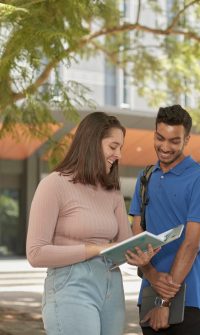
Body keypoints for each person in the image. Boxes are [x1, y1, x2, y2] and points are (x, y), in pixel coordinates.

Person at [26, 112, 157, 335]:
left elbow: (124, 244)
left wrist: (140, 256)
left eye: (121, 148)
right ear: (92, 143)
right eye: (113, 146)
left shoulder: (112, 190)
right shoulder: (53, 185)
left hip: (111, 286)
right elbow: (36, 253)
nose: (119, 155)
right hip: (70, 285)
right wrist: (96, 249)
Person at [129, 105, 200, 334]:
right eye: (160, 138)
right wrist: (151, 274)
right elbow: (137, 231)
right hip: (149, 291)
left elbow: (191, 243)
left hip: (192, 297)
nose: (165, 147)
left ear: (186, 140)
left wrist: (165, 302)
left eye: (174, 141)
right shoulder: (145, 177)